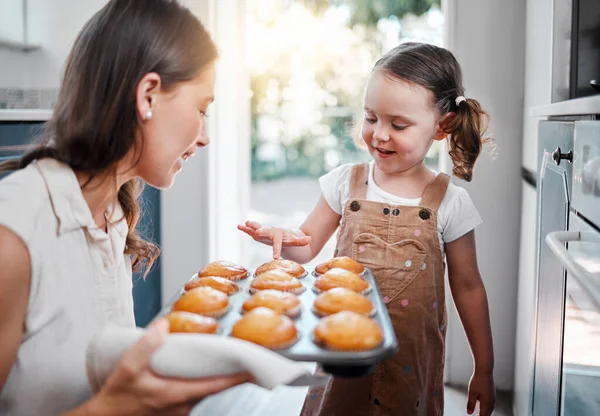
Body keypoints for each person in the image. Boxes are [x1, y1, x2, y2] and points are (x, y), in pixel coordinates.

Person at [0, 1, 251, 415]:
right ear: (148, 95)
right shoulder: (15, 235)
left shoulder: (116, 214)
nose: (205, 136)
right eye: (202, 109)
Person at [239, 42, 496, 416]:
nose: (379, 134)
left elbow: (469, 286)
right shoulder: (345, 182)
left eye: (399, 124)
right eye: (371, 117)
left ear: (443, 127)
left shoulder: (450, 203)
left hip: (411, 366)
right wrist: (280, 237)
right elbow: (306, 246)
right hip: (344, 356)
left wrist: (484, 369)